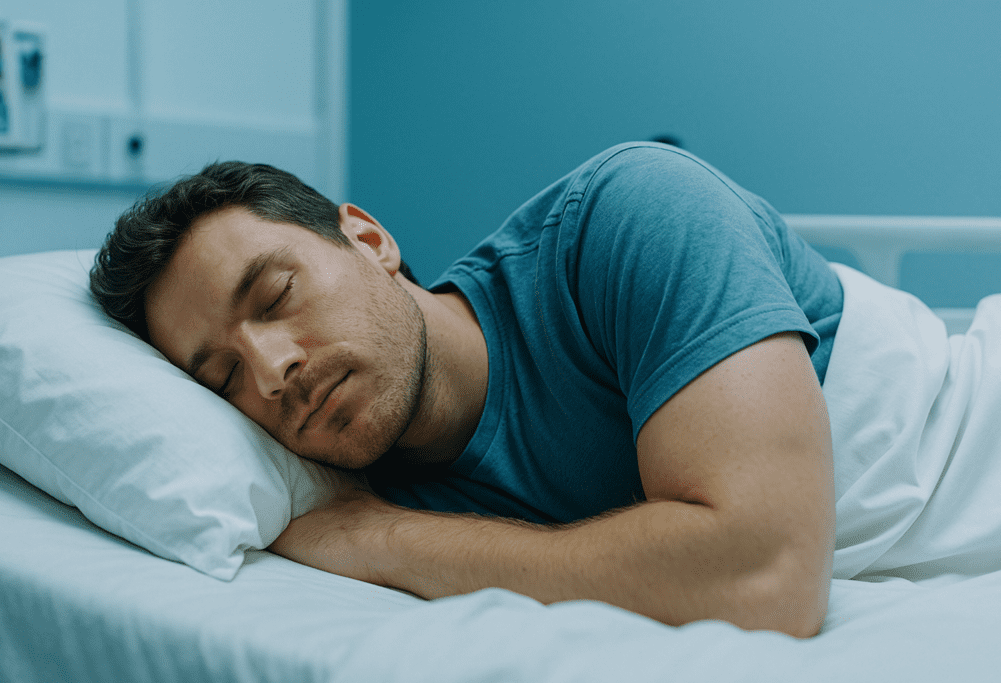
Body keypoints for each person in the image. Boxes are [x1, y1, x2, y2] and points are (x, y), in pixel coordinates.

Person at [90, 142, 839, 638]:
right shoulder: (350, 482)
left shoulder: (632, 211)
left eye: (277, 294)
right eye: (222, 377)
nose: (269, 371)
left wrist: (375, 537)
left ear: (370, 240)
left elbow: (768, 575)